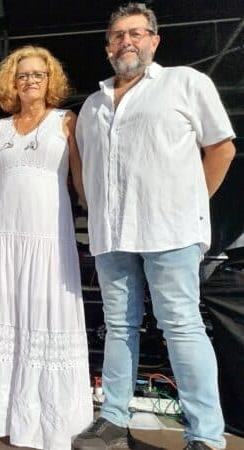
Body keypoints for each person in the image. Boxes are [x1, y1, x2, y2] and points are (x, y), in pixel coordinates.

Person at [74, 3, 236, 450]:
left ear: (154, 40)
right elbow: (85, 165)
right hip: (112, 234)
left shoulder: (186, 82)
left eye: (136, 33)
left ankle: (205, 435)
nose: (127, 41)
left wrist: (190, 204)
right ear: (108, 47)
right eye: (118, 35)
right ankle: (113, 418)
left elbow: (221, 148)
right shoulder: (92, 105)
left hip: (170, 231)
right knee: (118, 326)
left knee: (181, 325)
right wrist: (91, 203)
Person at [0, 45, 93, 449]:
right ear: (11, 83)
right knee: (0, 322)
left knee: (44, 323)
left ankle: (45, 425)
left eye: (38, 74)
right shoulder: (0, 129)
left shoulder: (66, 121)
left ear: (50, 80)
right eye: (23, 75)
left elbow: (81, 181)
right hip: (3, 240)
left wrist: (103, 215)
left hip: (49, 241)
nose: (30, 81)